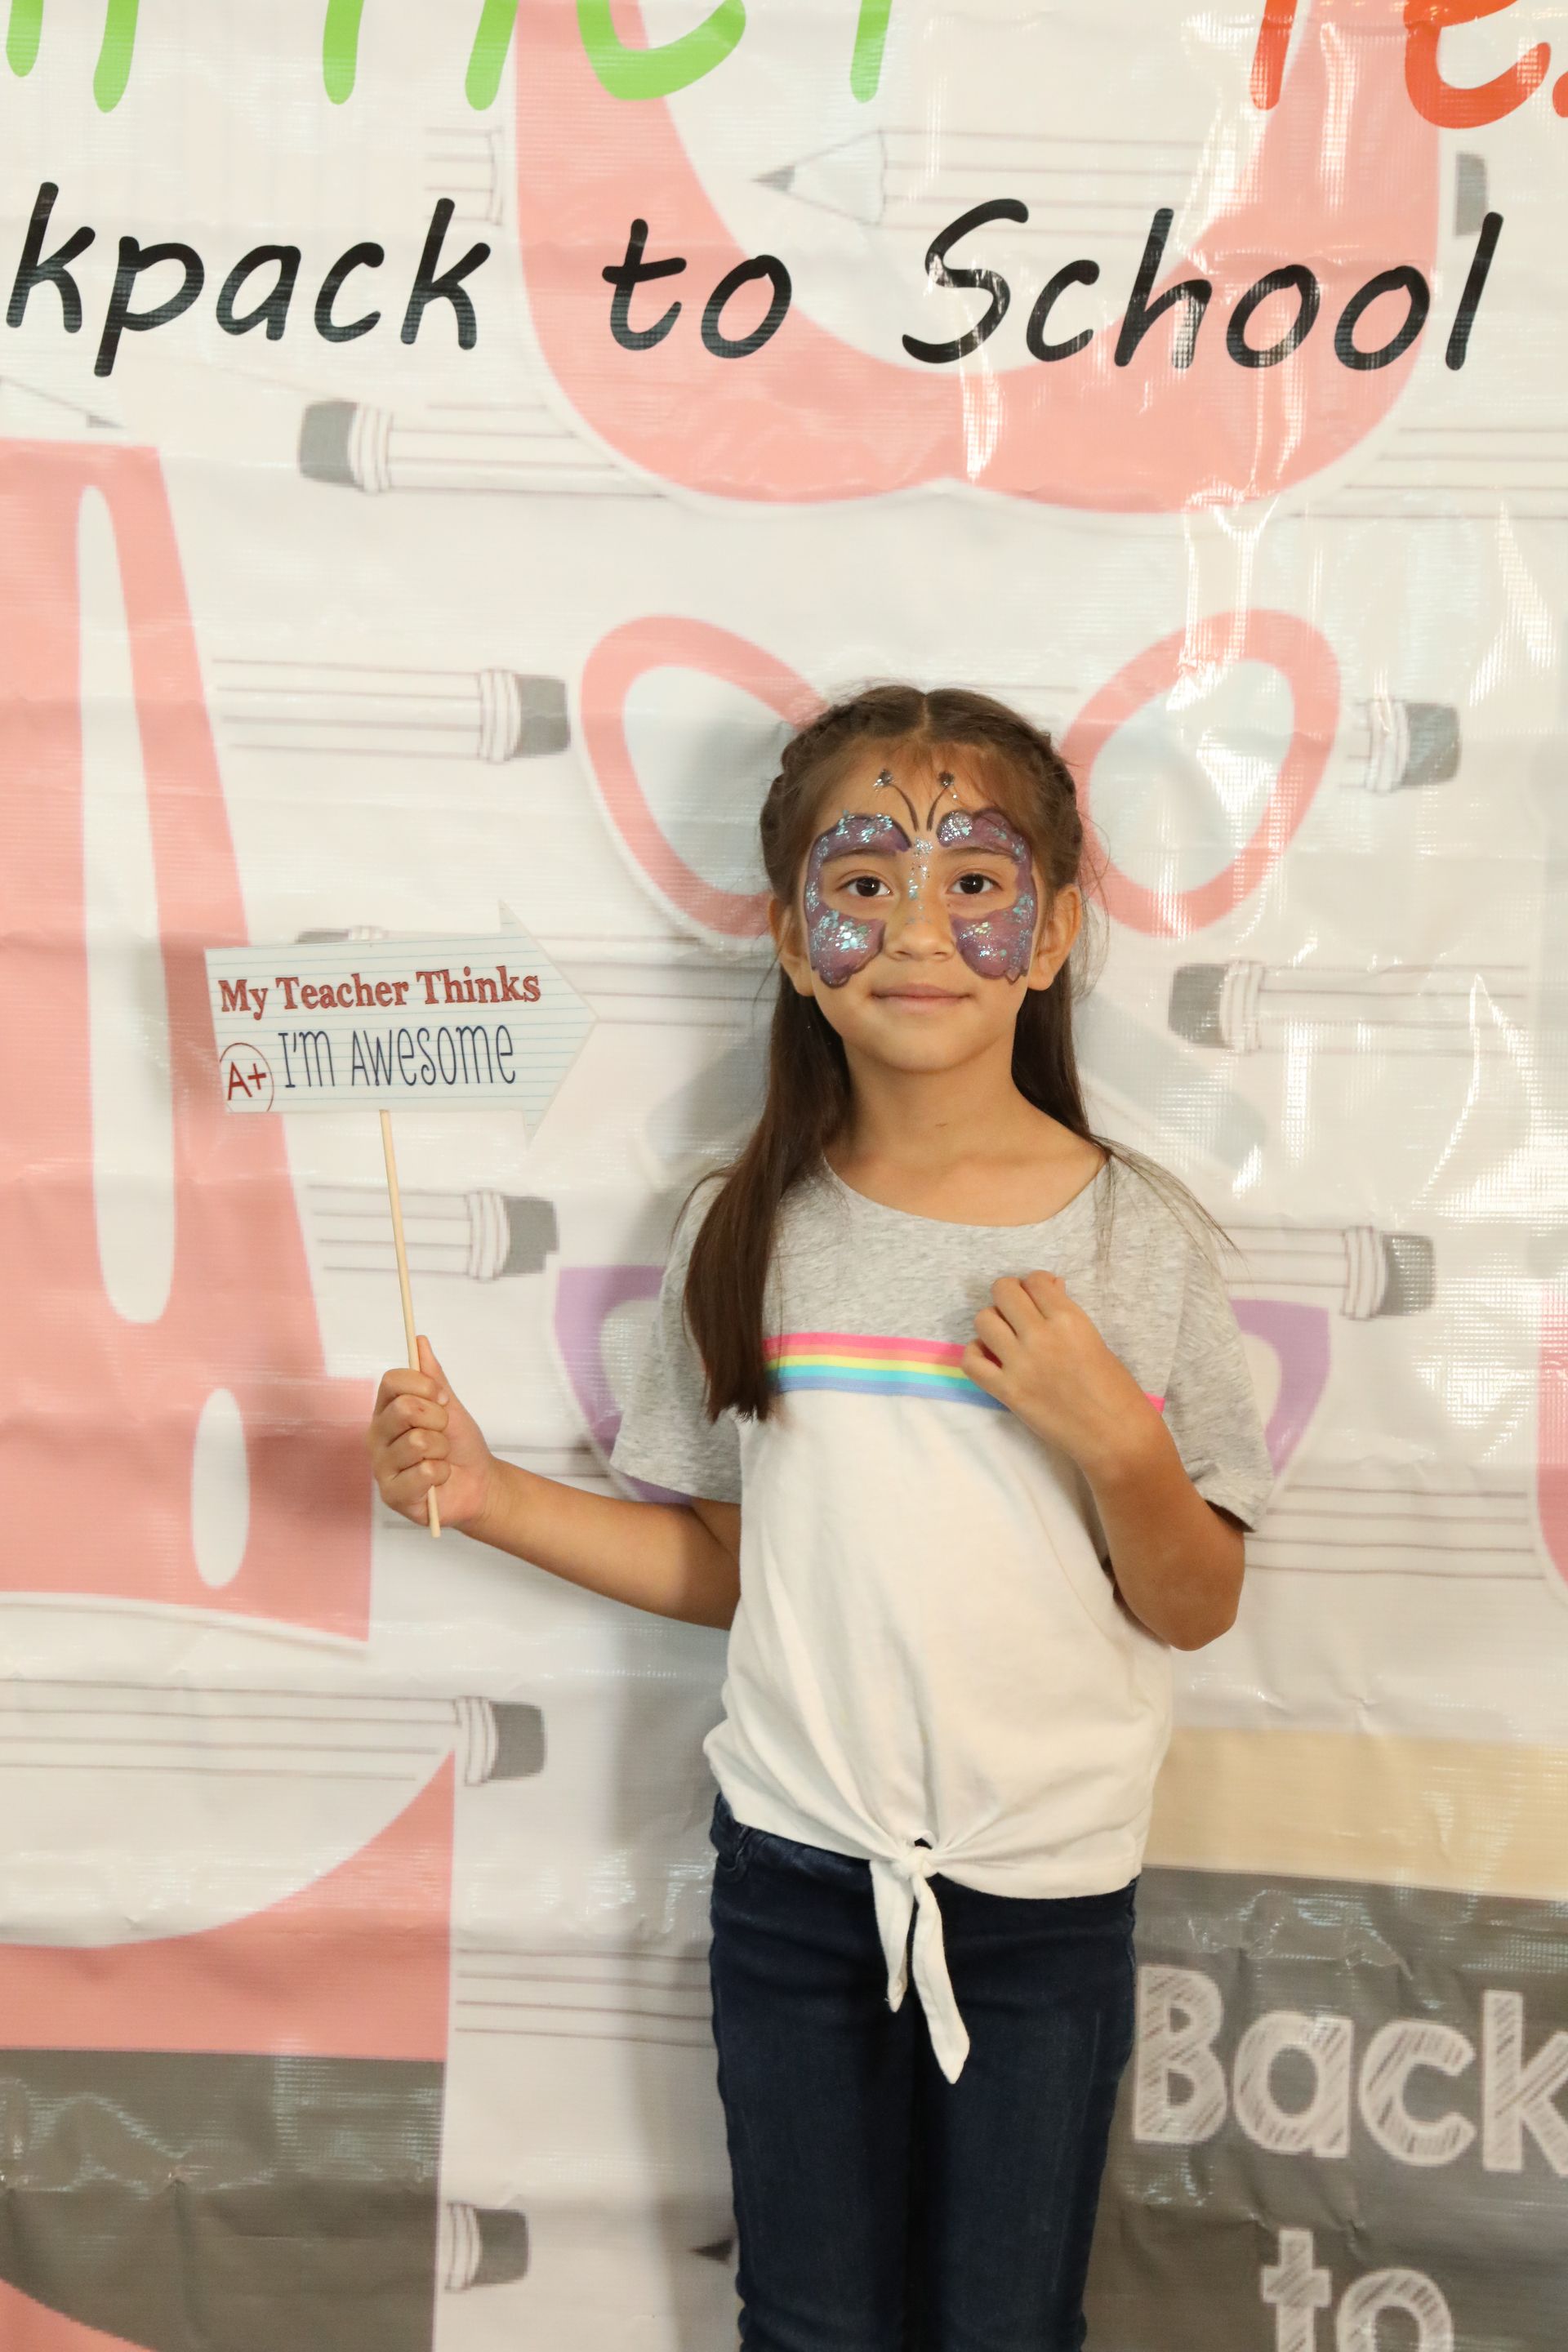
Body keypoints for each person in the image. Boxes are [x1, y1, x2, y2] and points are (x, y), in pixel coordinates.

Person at [366, 683, 1275, 2350]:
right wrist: (490, 1499)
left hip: (1041, 1901)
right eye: (863, 882)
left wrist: (1120, 1446)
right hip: (792, 1884)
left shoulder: (1137, 1241)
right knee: (808, 2325)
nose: (917, 926)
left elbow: (1196, 1602)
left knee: (1004, 2330)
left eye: (973, 881)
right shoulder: (748, 1229)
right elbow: (732, 1565)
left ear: (1058, 928)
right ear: (794, 941)